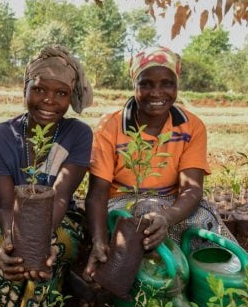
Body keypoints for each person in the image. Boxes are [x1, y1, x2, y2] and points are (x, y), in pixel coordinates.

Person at [83, 45, 235, 281]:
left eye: (166, 83)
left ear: (176, 86)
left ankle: (211, 282)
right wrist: (98, 240)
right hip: (122, 204)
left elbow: (192, 190)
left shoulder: (191, 126)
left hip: (173, 206)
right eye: (146, 84)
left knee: (205, 220)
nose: (157, 93)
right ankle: (160, 283)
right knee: (146, 216)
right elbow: (97, 193)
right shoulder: (111, 126)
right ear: (134, 85)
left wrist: (168, 217)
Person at [0, 46, 93, 307]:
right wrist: (11, 242)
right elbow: (5, 205)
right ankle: (38, 284)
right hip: (6, 218)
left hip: (60, 219)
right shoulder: (0, 137)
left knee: (43, 261)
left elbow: (61, 197)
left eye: (61, 93)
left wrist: (37, 244)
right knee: (6, 255)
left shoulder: (78, 134)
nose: (49, 101)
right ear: (25, 87)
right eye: (40, 89)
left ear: (70, 97)